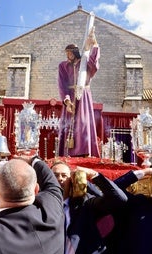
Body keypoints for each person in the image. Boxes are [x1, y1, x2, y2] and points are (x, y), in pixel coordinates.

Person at [51, 161, 127, 254]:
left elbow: (119, 199)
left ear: (71, 180)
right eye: (55, 175)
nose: (60, 179)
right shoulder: (40, 203)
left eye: (64, 175)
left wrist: (93, 174)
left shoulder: (84, 202)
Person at [57, 26, 100, 158]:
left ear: (75, 53)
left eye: (70, 53)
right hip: (70, 98)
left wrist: (94, 43)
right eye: (66, 53)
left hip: (84, 96)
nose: (68, 55)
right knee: (68, 124)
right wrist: (67, 101)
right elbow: (62, 84)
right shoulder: (63, 66)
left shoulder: (84, 63)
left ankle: (85, 151)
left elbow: (94, 65)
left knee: (84, 122)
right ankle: (67, 152)